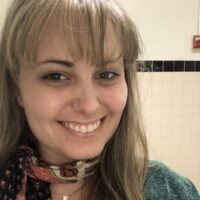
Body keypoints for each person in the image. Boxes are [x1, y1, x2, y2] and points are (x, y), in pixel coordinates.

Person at [0, 0, 199, 200]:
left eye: (106, 75)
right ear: (16, 87)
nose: (89, 105)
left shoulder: (170, 190)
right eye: (56, 76)